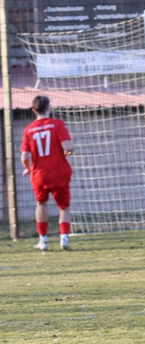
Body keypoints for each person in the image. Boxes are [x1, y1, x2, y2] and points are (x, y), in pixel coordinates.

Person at [20, 95, 74, 251]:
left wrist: (28, 167)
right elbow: (68, 147)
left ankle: (43, 240)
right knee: (64, 206)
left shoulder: (28, 130)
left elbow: (24, 156)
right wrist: (67, 152)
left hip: (39, 174)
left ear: (33, 110)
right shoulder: (58, 124)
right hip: (59, 171)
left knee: (41, 204)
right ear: (48, 108)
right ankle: (64, 239)